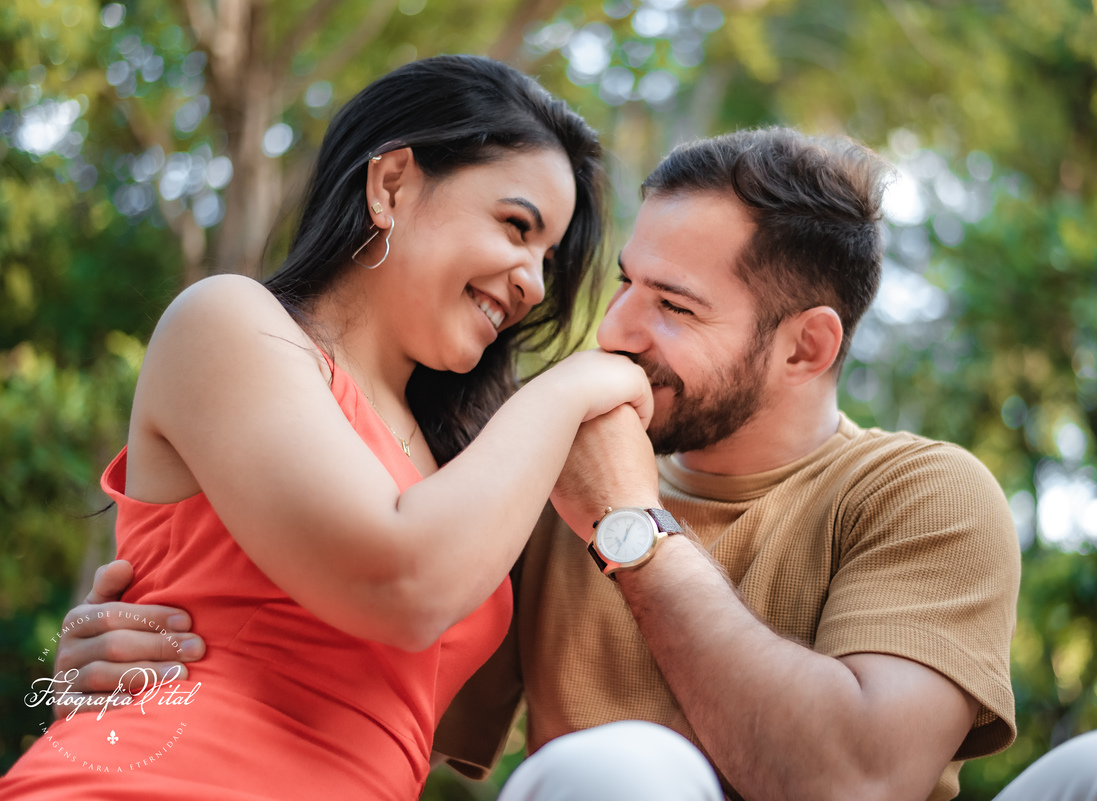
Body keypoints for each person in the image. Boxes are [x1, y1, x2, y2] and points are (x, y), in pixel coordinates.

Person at [39, 130, 1097, 799]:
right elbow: (349, 645)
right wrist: (121, 652)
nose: (617, 331)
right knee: (627, 774)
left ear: (806, 347)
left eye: (674, 305)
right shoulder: (524, 472)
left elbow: (858, 782)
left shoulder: (920, 492)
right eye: (627, 283)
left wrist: (631, 532)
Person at [0, 55, 655, 800]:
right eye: (515, 226)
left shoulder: (464, 460)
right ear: (392, 184)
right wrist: (574, 382)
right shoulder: (230, 323)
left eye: (546, 257)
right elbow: (397, 581)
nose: (534, 283)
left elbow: (406, 720)